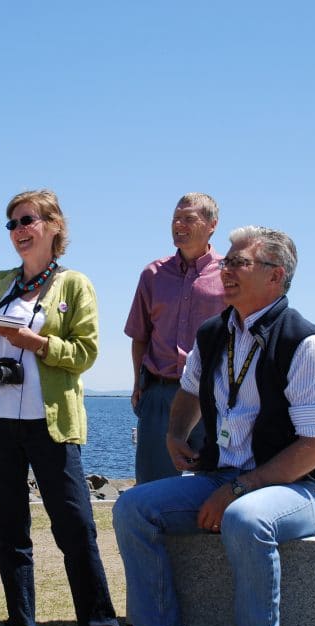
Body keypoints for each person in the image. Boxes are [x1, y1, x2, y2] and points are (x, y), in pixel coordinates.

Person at [113, 226, 315, 626]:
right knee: (132, 509)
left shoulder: (304, 342)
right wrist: (175, 434)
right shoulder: (213, 333)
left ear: (275, 276)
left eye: (239, 263)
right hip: (223, 477)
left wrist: (240, 488)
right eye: (227, 263)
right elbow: (188, 392)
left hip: (294, 487)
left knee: (246, 519)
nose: (226, 271)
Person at [0, 189, 135, 626]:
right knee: (8, 528)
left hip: (50, 425)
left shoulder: (73, 285)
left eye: (27, 221)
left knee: (75, 527)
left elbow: (84, 354)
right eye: (12, 224)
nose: (19, 231)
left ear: (53, 226)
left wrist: (34, 342)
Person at [124, 192, 226, 484]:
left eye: (188, 218)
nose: (178, 224)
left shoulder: (230, 274)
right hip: (160, 394)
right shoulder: (153, 274)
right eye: (175, 219)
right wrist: (138, 384)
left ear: (212, 224)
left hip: (213, 396)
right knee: (152, 490)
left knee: (214, 488)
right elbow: (140, 335)